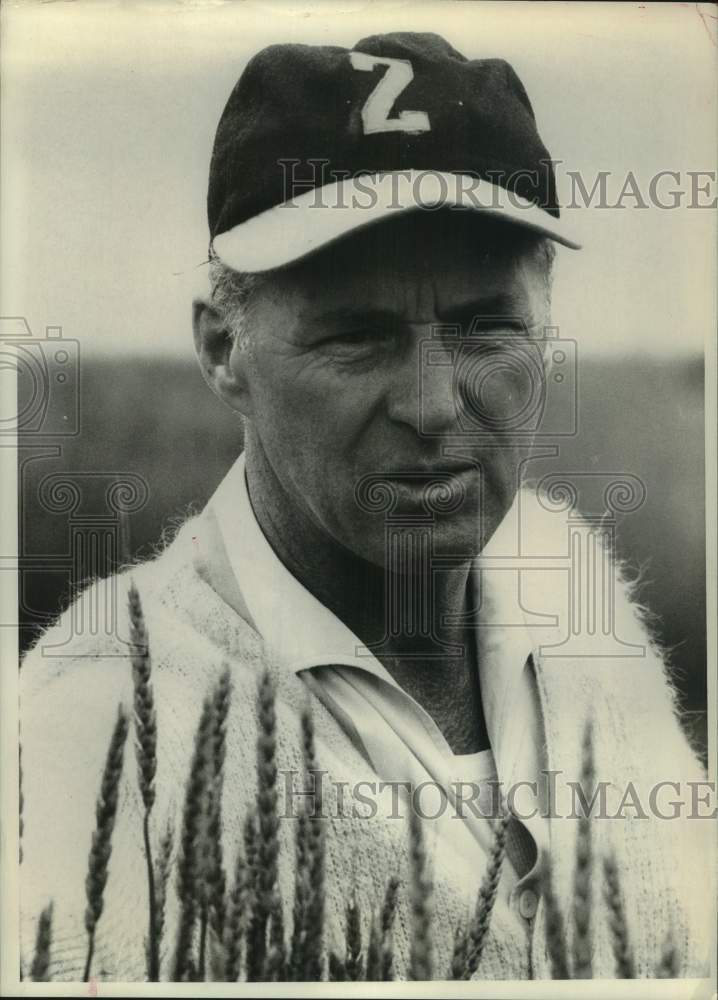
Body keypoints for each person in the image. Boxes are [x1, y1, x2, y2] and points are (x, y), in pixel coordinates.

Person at [20, 32, 712, 982]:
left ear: (547, 333)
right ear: (225, 350)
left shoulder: (588, 605)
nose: (433, 405)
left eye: (486, 327)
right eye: (357, 335)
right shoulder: (87, 721)